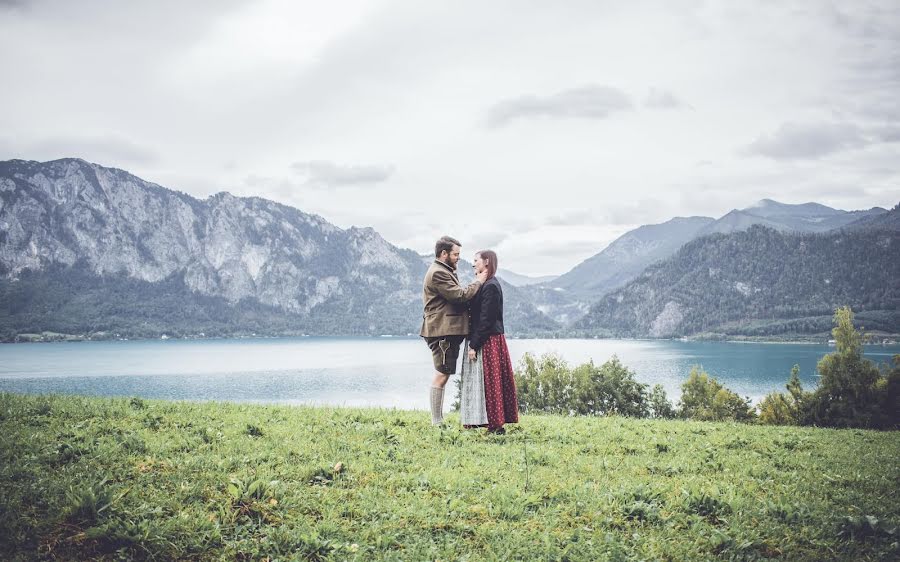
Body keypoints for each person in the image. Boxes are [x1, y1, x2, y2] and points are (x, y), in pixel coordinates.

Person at [421, 236, 487, 425]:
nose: (458, 257)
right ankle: (436, 421)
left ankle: (438, 420)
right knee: (442, 373)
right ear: (444, 254)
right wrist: (480, 281)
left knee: (445, 372)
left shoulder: (444, 270)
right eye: (455, 254)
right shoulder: (438, 273)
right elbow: (459, 296)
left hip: (445, 331)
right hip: (442, 332)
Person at [460, 250, 519, 433]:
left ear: (486, 262)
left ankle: (496, 426)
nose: (473, 264)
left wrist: (474, 345)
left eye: (476, 261)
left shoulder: (491, 286)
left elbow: (487, 319)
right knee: (482, 384)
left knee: (491, 384)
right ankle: (480, 422)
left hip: (489, 340)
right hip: (483, 338)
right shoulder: (483, 284)